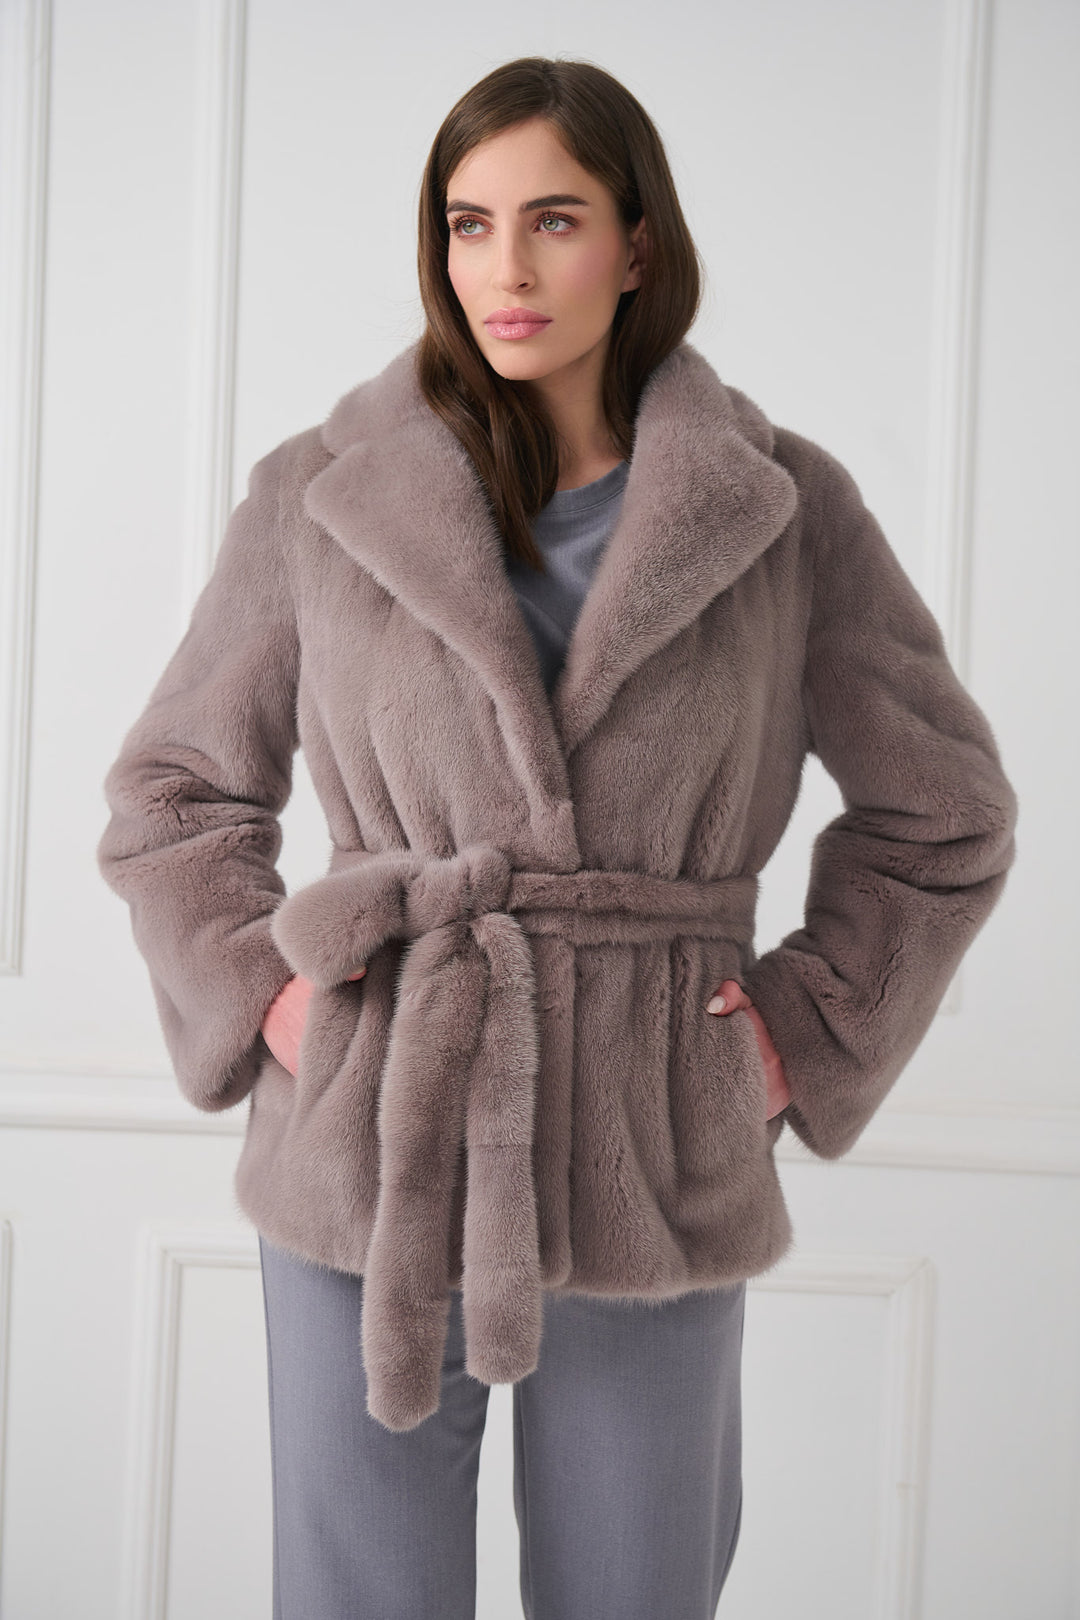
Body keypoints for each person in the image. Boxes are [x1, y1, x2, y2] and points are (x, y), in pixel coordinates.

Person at [96, 55, 1018, 1620]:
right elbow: (173, 793)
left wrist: (791, 1037)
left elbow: (946, 812)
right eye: (469, 224)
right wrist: (276, 1002)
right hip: (375, 1138)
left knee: (637, 1593)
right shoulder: (319, 495)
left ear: (638, 244)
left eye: (555, 220)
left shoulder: (782, 507)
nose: (506, 269)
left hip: (653, 1144)